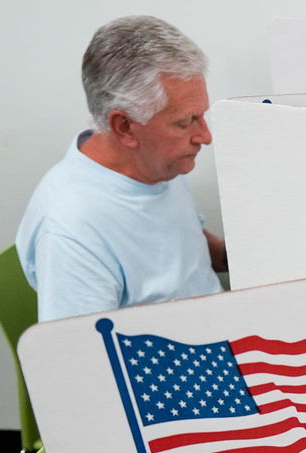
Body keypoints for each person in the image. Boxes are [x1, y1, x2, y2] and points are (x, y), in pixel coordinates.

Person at [17, 15, 226, 322]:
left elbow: (186, 250)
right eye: (185, 122)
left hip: (220, 328)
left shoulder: (158, 163)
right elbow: (81, 361)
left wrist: (254, 255)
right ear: (125, 126)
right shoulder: (72, 230)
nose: (205, 137)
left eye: (201, 116)